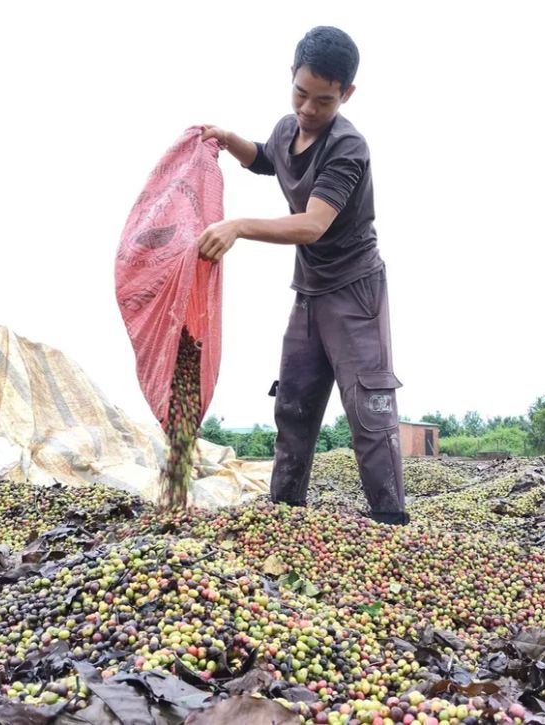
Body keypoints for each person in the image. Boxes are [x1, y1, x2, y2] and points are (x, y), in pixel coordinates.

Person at [199, 26, 407, 525]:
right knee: (293, 402)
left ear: (346, 95)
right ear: (291, 77)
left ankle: (390, 521)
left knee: (368, 410)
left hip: (355, 293)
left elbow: (313, 225)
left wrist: (239, 226)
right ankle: (285, 513)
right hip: (308, 294)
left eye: (324, 100)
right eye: (301, 93)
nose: (309, 109)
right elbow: (269, 160)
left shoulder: (348, 148)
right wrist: (232, 142)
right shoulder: (287, 128)